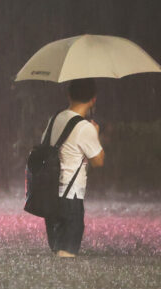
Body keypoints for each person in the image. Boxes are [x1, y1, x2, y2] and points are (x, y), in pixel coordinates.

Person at [43, 78, 105, 258]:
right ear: (93, 99)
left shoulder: (54, 119)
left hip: (50, 195)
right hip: (70, 196)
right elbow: (98, 161)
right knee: (67, 252)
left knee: (57, 249)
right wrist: (96, 134)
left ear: (68, 95)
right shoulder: (85, 128)